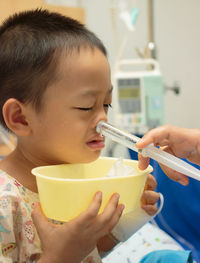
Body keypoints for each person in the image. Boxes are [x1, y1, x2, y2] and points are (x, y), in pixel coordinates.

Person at [0, 9, 160, 263]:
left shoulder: (83, 177)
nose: (103, 120)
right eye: (86, 107)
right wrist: (59, 257)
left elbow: (90, 252)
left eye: (106, 105)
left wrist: (129, 213)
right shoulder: (6, 203)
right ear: (20, 118)